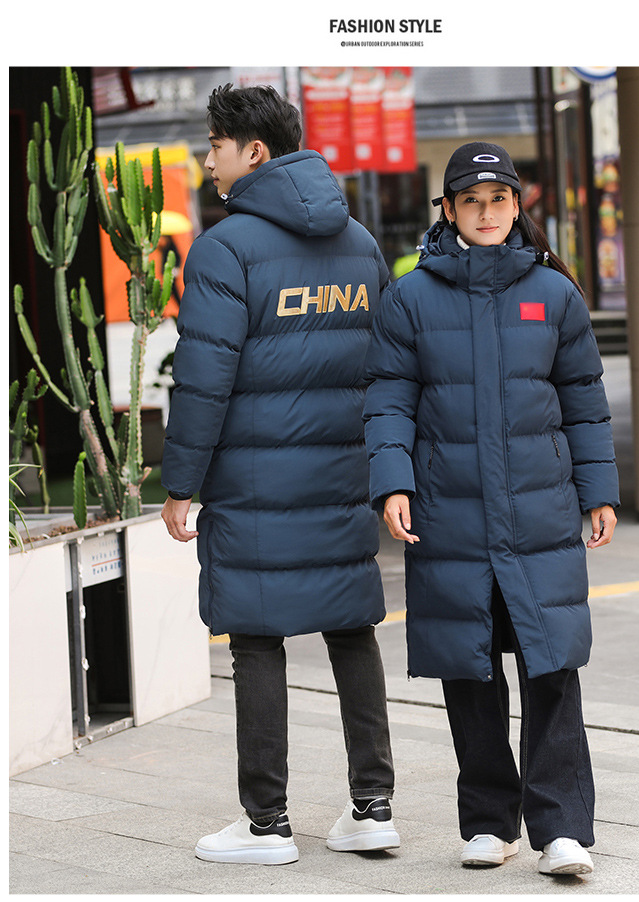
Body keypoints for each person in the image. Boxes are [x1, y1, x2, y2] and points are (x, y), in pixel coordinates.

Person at [363, 142, 619, 876]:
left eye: (498, 199)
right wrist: (393, 482)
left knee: (550, 666)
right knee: (468, 671)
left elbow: (584, 403)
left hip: (539, 515)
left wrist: (599, 492)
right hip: (452, 514)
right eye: (470, 201)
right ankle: (486, 823)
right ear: (447, 209)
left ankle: (561, 829)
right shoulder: (410, 298)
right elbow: (388, 400)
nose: (485, 213)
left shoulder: (555, 294)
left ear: (516, 205)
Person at [160, 84, 399, 865]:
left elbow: (204, 380)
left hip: (254, 483)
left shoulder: (224, 248)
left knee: (257, 637)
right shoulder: (359, 243)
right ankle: (373, 808)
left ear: (253, 151)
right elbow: (391, 366)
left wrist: (180, 483)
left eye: (215, 145)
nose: (208, 160)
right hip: (342, 474)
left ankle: (266, 825)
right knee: (351, 627)